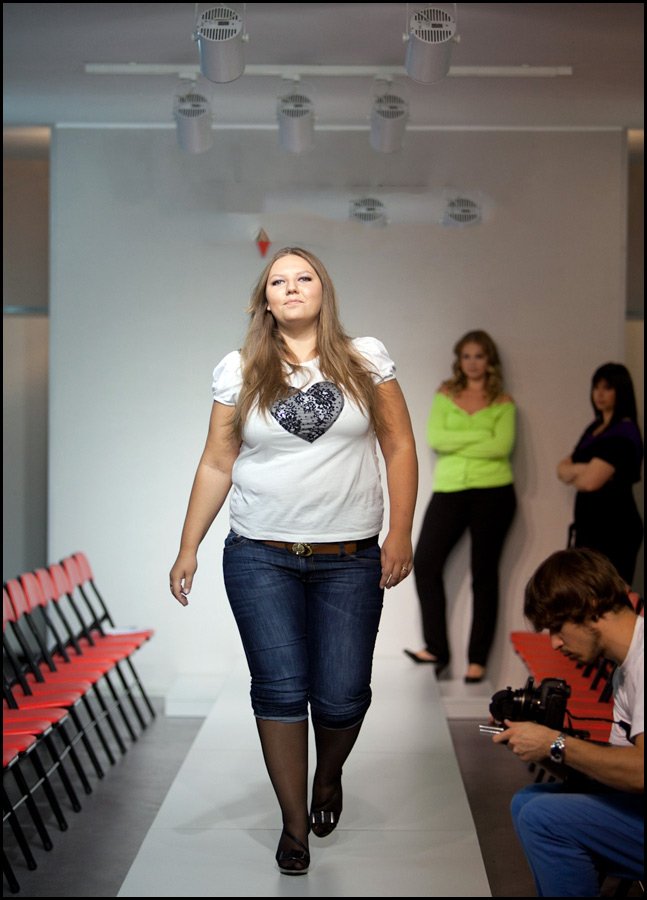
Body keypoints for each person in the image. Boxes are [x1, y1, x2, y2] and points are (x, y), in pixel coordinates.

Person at [169, 247, 418, 876]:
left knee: (343, 695)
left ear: (323, 289)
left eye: (303, 277)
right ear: (266, 299)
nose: (291, 287)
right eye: (278, 280)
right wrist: (188, 546)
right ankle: (293, 824)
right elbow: (217, 462)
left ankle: (327, 777)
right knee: (280, 689)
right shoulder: (240, 369)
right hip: (260, 555)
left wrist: (400, 531)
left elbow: (399, 444)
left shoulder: (365, 359)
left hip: (351, 557)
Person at [493, 548, 644, 897]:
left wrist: (555, 742)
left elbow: (640, 773)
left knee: (542, 817)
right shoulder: (625, 670)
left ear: (591, 606)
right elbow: (613, 775)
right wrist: (543, 749)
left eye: (558, 627)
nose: (555, 642)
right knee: (526, 802)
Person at [403, 329, 516, 683]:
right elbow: (436, 439)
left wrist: (461, 441)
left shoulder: (503, 401)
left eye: (479, 356)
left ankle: (477, 661)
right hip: (450, 489)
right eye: (466, 356)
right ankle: (436, 649)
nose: (472, 363)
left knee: (484, 574)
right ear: (459, 360)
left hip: (494, 492)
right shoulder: (445, 394)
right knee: (425, 563)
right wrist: (481, 435)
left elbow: (501, 447)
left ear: (489, 360)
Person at [557, 362, 643, 587]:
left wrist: (578, 471)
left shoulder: (624, 431)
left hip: (615, 527)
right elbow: (561, 469)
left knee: (609, 593)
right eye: (596, 387)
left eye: (607, 388)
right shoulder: (593, 428)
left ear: (620, 391)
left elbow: (590, 482)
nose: (599, 394)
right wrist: (585, 468)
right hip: (588, 528)